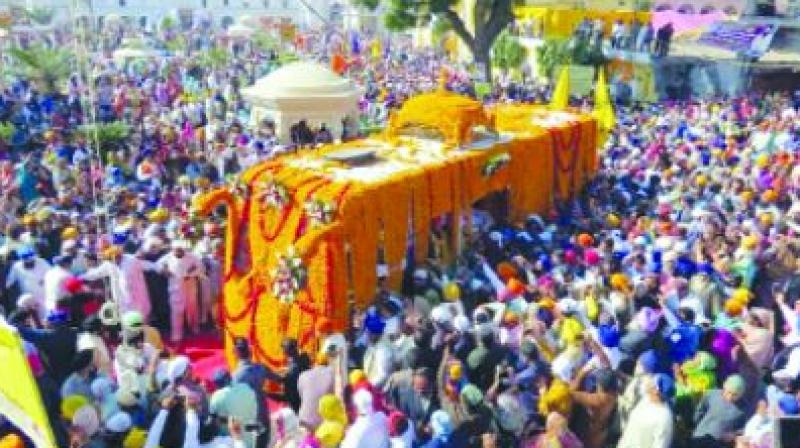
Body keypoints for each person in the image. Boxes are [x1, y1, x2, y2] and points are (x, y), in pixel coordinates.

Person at [156, 239, 203, 342]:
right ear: (173, 250)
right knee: (176, 312)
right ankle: (177, 335)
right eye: (176, 250)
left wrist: (190, 274)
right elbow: (157, 265)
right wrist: (164, 271)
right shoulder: (168, 257)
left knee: (192, 310)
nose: (178, 252)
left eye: (180, 250)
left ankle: (194, 328)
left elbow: (200, 268)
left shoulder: (192, 257)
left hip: (189, 288)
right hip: (175, 289)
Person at [617, 374, 674, 448]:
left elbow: (660, 445)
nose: (648, 382)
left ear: (656, 391)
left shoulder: (664, 418)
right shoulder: (646, 399)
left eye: (652, 382)